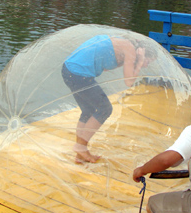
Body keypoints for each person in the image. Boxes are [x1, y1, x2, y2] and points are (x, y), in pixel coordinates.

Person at [62, 35, 155, 163]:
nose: (146, 65)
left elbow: (105, 65)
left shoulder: (124, 45)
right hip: (78, 73)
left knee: (88, 111)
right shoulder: (130, 49)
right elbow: (129, 82)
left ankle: (80, 153)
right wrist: (139, 62)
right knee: (105, 108)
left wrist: (135, 61)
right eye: (148, 61)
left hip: (70, 70)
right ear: (143, 53)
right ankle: (80, 147)